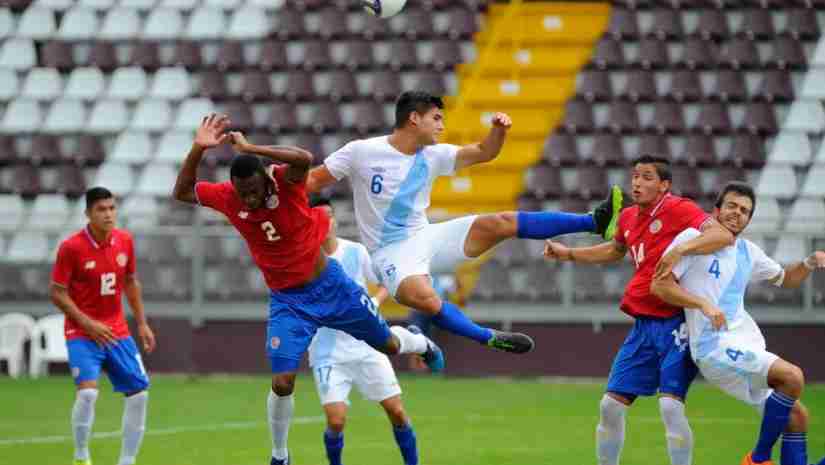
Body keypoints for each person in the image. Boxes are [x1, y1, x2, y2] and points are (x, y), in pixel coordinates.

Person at [172, 114, 441, 465]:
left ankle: (421, 341)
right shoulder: (228, 196)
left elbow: (302, 158)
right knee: (282, 381)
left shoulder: (285, 182)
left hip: (332, 287)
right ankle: (280, 456)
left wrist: (251, 147)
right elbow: (181, 191)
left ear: (265, 180)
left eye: (253, 191)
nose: (249, 199)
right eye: (243, 193)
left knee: (388, 344)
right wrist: (198, 149)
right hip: (288, 301)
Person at [306, 90, 623, 357]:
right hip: (389, 253)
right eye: (437, 118)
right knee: (425, 298)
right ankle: (488, 337)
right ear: (414, 119)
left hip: (425, 236)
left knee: (499, 222)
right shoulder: (361, 152)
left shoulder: (434, 155)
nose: (442, 126)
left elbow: (485, 151)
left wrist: (498, 131)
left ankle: (595, 221)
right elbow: (312, 181)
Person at [543, 155, 735, 465]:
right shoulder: (629, 216)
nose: (637, 182)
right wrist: (569, 254)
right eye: (635, 176)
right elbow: (616, 250)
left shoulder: (679, 208)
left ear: (664, 185)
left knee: (671, 408)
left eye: (647, 177)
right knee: (609, 406)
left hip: (677, 323)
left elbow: (722, 235)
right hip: (644, 327)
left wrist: (681, 249)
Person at [651, 181, 825, 465]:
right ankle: (758, 459)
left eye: (745, 210)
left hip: (743, 344)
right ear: (716, 210)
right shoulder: (692, 238)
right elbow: (659, 287)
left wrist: (810, 261)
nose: (737, 213)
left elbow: (786, 279)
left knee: (796, 417)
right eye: (731, 206)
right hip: (713, 348)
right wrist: (702, 304)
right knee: (792, 377)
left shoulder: (747, 251)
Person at [49, 187, 156, 465]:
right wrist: (87, 323)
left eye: (111, 208)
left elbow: (131, 282)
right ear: (88, 214)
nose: (108, 214)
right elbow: (57, 292)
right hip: (82, 333)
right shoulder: (71, 247)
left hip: (117, 331)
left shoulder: (125, 241)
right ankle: (81, 455)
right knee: (87, 393)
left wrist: (142, 323)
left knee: (139, 396)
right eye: (101, 209)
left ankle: (127, 461)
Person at [309, 198, 419, 465]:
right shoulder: (304, 260)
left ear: (335, 221)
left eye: (330, 216)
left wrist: (376, 301)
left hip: (368, 346)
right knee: (336, 420)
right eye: (319, 217)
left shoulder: (355, 251)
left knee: (397, 411)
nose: (327, 222)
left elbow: (384, 282)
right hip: (328, 352)